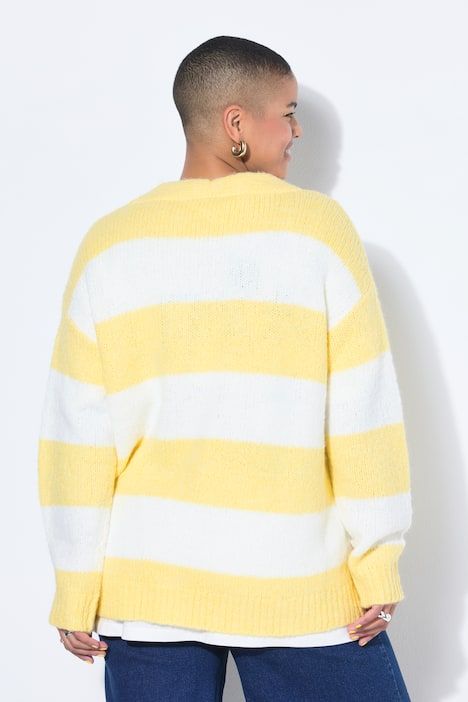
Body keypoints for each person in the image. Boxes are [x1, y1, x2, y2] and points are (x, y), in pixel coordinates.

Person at [37, 35, 413, 701]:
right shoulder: (317, 230)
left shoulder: (110, 243)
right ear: (237, 123)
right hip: (297, 586)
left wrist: (76, 583)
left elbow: (78, 437)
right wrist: (378, 560)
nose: (297, 132)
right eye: (288, 113)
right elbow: (363, 415)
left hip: (148, 593)